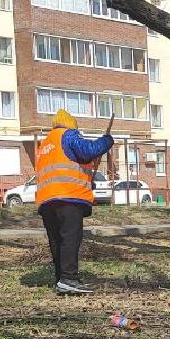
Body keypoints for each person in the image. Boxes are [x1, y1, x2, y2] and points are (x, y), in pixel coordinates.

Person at [35, 109, 115, 295]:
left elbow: (64, 167)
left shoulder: (45, 144)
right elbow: (88, 151)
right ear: (71, 124)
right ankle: (69, 278)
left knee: (57, 240)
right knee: (70, 238)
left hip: (47, 200)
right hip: (68, 198)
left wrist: (87, 181)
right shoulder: (68, 134)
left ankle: (61, 279)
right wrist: (107, 141)